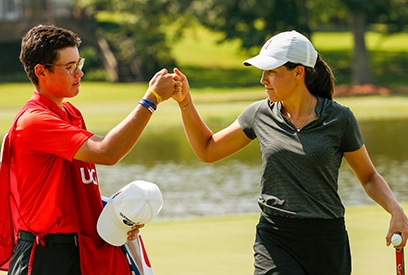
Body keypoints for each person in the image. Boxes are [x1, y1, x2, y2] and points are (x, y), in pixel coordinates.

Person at [171, 30, 408, 274]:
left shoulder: (340, 119)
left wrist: (395, 209)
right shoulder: (259, 114)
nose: (263, 80)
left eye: (271, 72)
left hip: (326, 241)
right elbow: (208, 149)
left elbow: (368, 176)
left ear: (298, 72)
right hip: (275, 237)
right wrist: (185, 102)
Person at [0, 24, 179, 275]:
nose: (79, 73)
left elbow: (73, 187)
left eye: (79, 63)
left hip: (79, 248)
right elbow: (107, 152)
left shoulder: (71, 113)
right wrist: (151, 99)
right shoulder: (34, 120)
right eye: (69, 67)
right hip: (46, 255)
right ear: (41, 71)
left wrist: (115, 217)